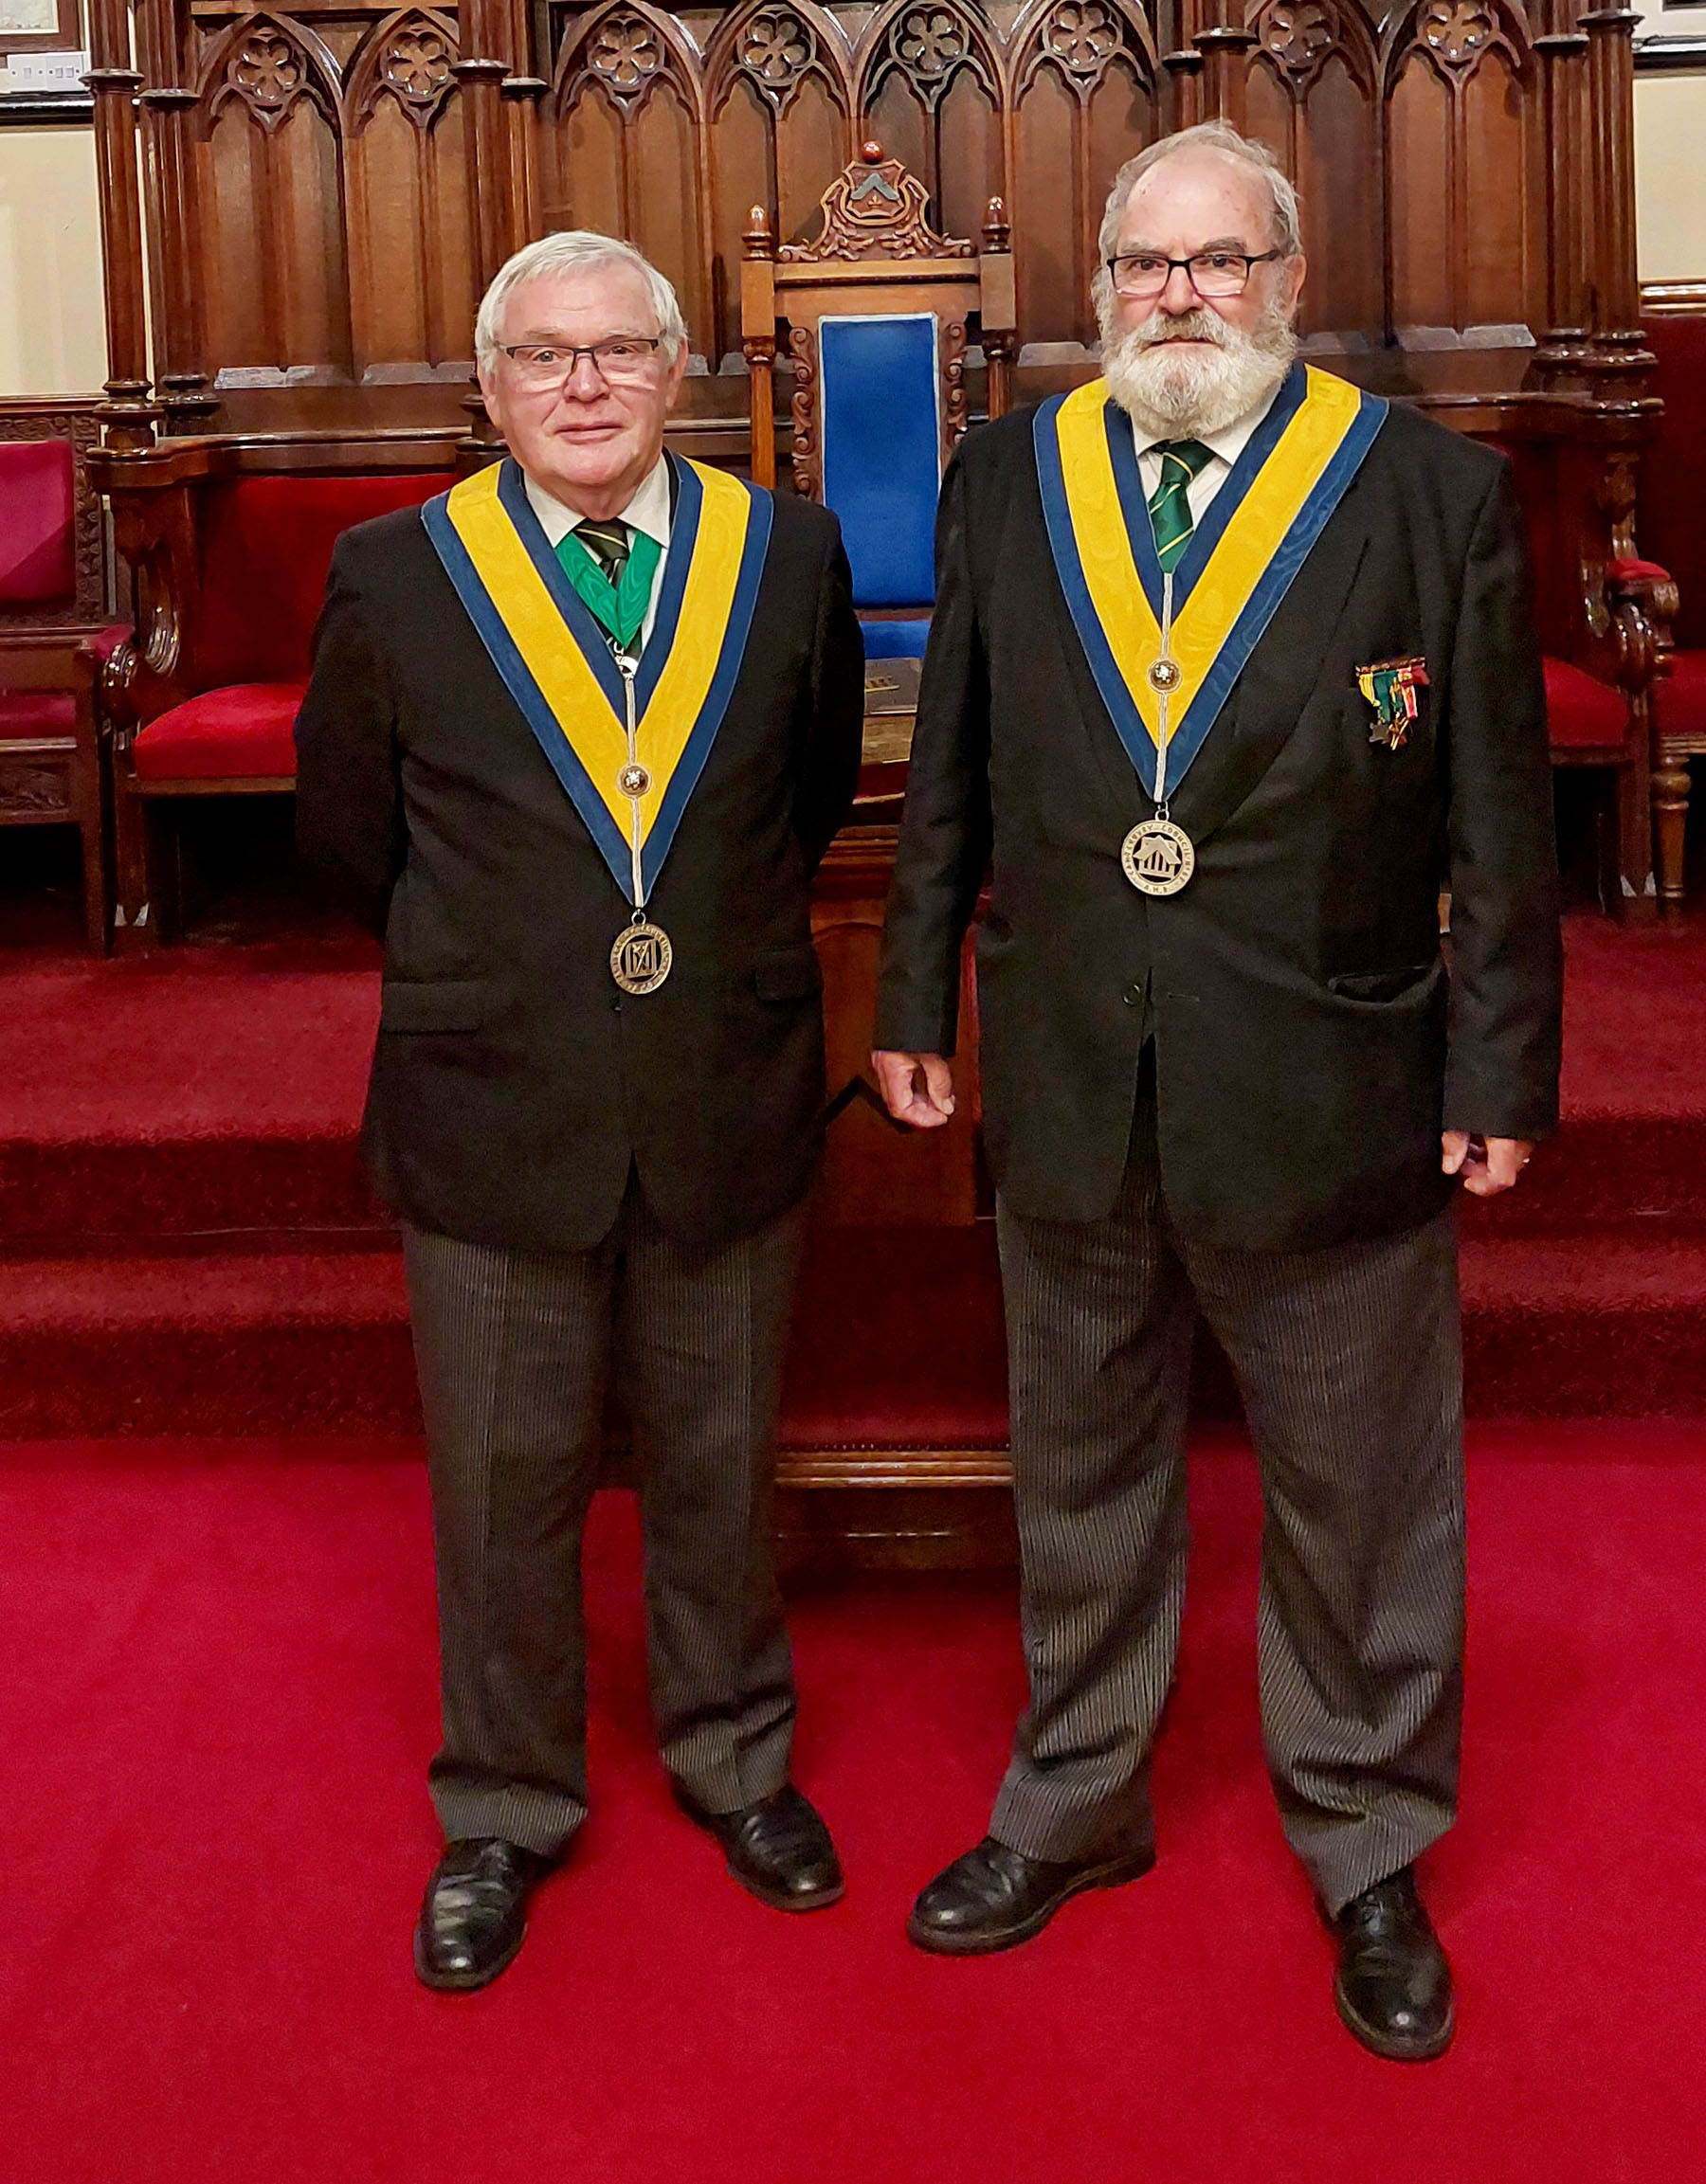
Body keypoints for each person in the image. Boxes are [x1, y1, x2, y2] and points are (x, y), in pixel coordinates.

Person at [873, 121, 1561, 2062]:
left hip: (1334, 1068)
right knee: (1081, 1464)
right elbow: (955, 772)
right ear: (1103, 292)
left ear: (1289, 275)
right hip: (1079, 1065)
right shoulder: (1015, 471)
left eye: (1220, 261)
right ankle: (1073, 1798)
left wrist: (1502, 1054)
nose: (1183, 297)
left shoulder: (1424, 490)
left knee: (1358, 1489)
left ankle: (1365, 1832)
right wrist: (916, 988)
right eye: (1147, 267)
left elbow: (1497, 808)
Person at [296, 231, 864, 1991]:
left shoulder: (788, 552)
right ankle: (506, 1800)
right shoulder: (394, 574)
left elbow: (814, 782)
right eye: (544, 359)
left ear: (678, 370)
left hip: (721, 1074)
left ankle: (736, 1755)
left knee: (719, 1452)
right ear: (491, 391)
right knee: (501, 1478)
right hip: (492, 1087)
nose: (586, 384)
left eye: (619, 351)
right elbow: (343, 839)